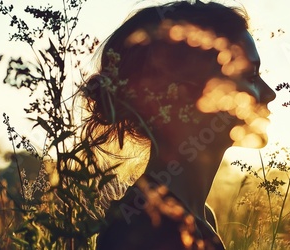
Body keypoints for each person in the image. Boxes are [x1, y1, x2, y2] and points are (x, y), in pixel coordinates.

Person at [81, 1, 276, 249]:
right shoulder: (144, 227)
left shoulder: (197, 217)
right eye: (250, 76)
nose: (270, 94)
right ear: (184, 95)